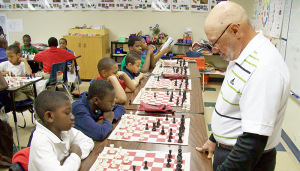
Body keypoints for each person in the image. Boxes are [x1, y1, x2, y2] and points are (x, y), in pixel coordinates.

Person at [196, 2, 290, 171]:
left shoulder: (263, 68)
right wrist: (214, 138)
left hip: (244, 162)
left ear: (235, 30)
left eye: (214, 42)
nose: (215, 50)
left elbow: (252, 144)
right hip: (227, 151)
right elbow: (232, 107)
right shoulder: (240, 54)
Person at [28, 90, 94, 170]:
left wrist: (71, 159)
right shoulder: (41, 143)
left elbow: (88, 141)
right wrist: (75, 156)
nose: (72, 117)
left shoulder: (63, 129)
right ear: (49, 116)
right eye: (67, 113)